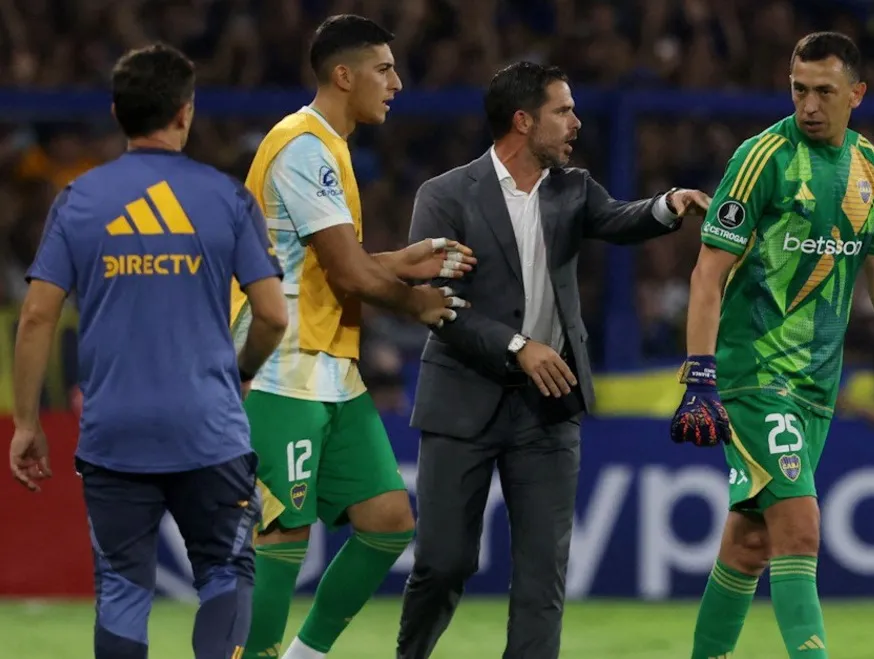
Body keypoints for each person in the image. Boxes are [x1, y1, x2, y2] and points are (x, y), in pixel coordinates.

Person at [396, 60, 711, 659]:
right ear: (523, 120)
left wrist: (668, 205)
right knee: (442, 563)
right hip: (463, 398)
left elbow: (618, 219)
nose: (577, 122)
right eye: (563, 111)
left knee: (543, 575)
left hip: (548, 406)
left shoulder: (572, 188)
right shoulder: (444, 196)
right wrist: (518, 347)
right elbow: (437, 305)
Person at [9, 44, 288, 659]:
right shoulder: (228, 199)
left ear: (117, 113)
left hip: (115, 433)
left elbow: (35, 318)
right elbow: (272, 314)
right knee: (225, 574)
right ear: (185, 113)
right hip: (209, 428)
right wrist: (240, 372)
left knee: (123, 589)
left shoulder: (78, 200)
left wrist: (28, 423)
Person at [670, 32, 874, 659]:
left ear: (857, 94)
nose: (810, 104)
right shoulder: (762, 157)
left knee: (748, 543)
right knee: (800, 529)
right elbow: (708, 272)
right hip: (754, 374)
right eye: (799, 89)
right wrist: (701, 376)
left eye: (824, 91)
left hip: (816, 385)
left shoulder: (872, 171)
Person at [231, 14, 473, 659]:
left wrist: (401, 259)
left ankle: (304, 657)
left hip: (331, 369)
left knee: (388, 523)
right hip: (281, 366)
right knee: (283, 535)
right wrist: (414, 300)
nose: (397, 82)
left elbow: (328, 264)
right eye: (384, 69)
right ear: (344, 74)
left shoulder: (330, 148)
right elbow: (345, 270)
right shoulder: (303, 146)